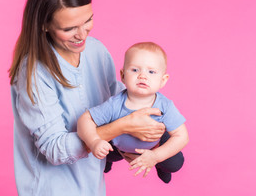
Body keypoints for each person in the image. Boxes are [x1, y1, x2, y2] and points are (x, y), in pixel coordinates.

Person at [9, 0, 166, 196]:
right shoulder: (33, 73)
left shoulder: (96, 51)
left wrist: (136, 141)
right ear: (44, 25)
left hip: (92, 186)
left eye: (88, 20)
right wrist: (122, 127)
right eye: (69, 28)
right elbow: (54, 149)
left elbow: (116, 105)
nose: (82, 34)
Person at [77, 42, 189, 184]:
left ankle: (161, 167)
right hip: (119, 147)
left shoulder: (165, 105)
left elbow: (182, 137)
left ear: (163, 80)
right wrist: (94, 141)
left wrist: (155, 156)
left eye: (151, 72)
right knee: (104, 152)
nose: (142, 76)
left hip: (154, 146)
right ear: (123, 76)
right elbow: (85, 119)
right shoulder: (115, 103)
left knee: (174, 163)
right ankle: (108, 161)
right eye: (135, 70)